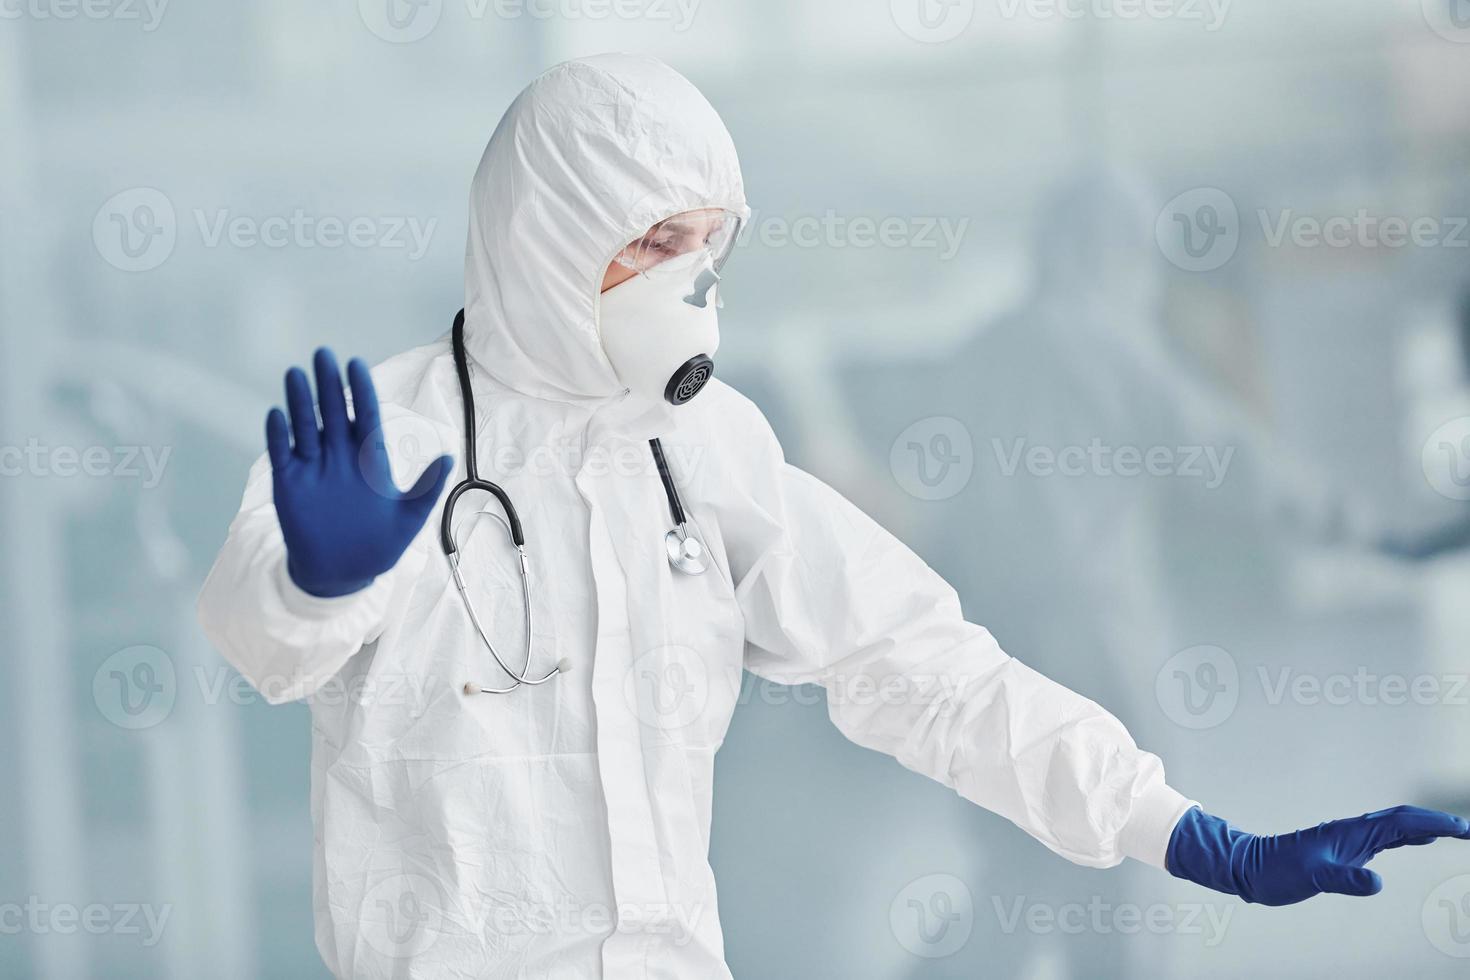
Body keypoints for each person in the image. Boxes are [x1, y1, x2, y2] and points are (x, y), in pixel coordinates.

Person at [198, 54, 1470, 979]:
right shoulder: (386, 436)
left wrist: (1199, 838)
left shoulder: (705, 447)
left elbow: (928, 669)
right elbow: (260, 646)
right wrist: (319, 587)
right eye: (657, 243)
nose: (693, 286)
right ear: (550, 234)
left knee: (1027, 911)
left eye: (711, 250)